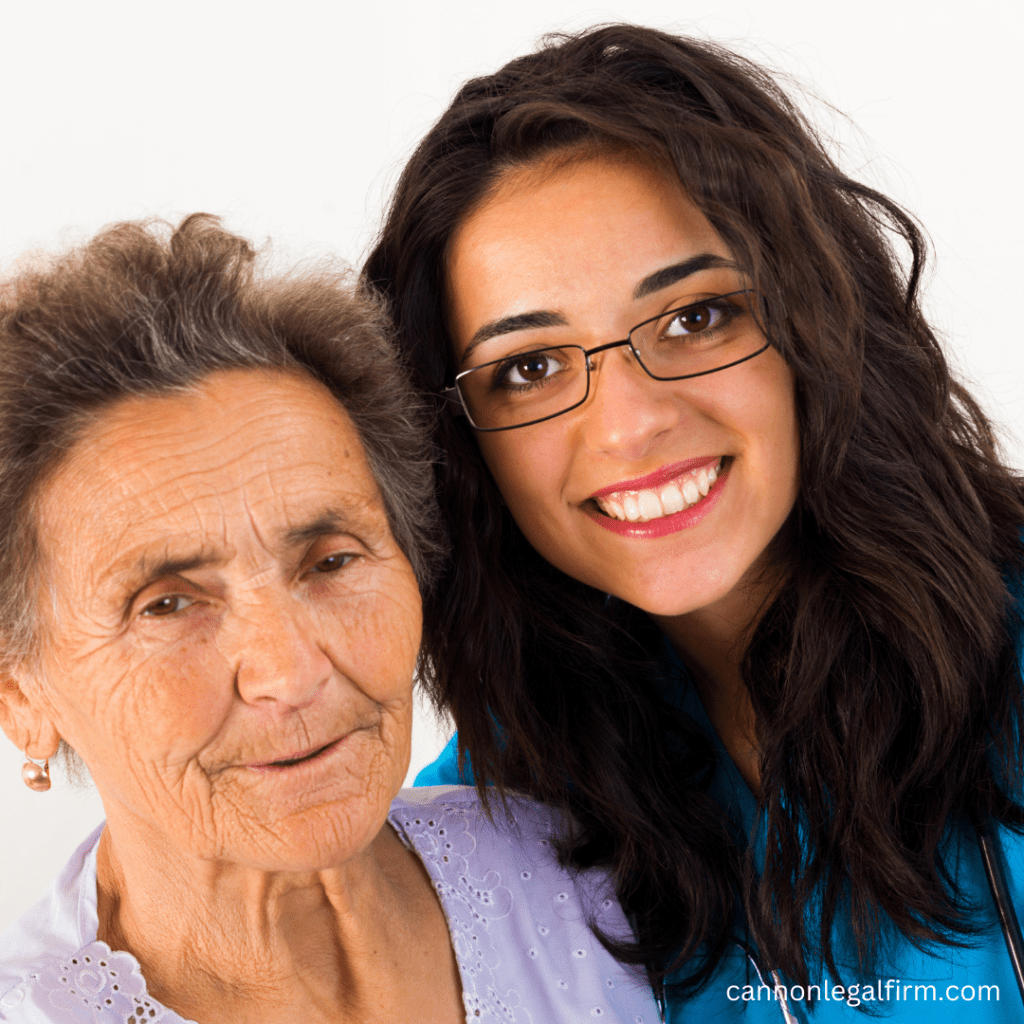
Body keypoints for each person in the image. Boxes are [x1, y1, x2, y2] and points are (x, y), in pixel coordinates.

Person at [363, 23, 1024, 1022]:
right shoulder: (495, 814)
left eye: (694, 316)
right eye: (529, 367)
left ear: (814, 313)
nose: (630, 426)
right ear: (461, 442)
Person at [0, 215, 660, 1024]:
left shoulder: (587, 877)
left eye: (332, 561)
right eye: (167, 604)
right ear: (19, 698)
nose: (290, 670)